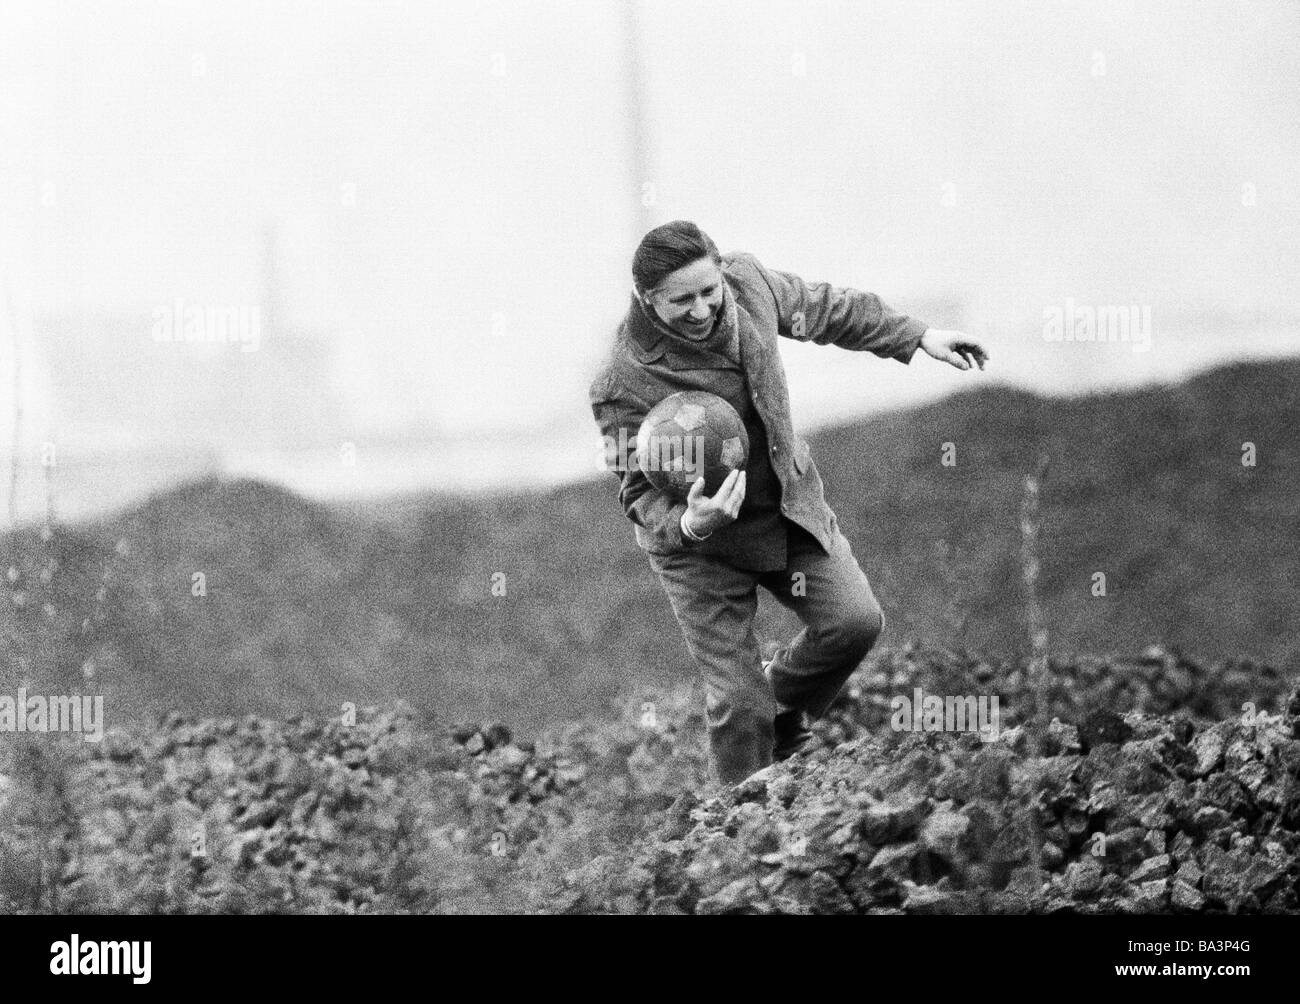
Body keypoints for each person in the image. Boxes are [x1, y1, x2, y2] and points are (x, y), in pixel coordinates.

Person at [588, 220, 989, 788]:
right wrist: (690, 522)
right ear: (646, 298)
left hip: (784, 507)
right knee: (737, 704)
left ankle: (782, 707)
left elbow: (828, 309)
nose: (702, 309)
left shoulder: (750, 284)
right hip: (702, 549)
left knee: (853, 623)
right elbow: (634, 489)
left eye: (709, 291)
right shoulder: (619, 379)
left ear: (722, 271)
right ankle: (740, 829)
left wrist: (917, 336)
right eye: (682, 301)